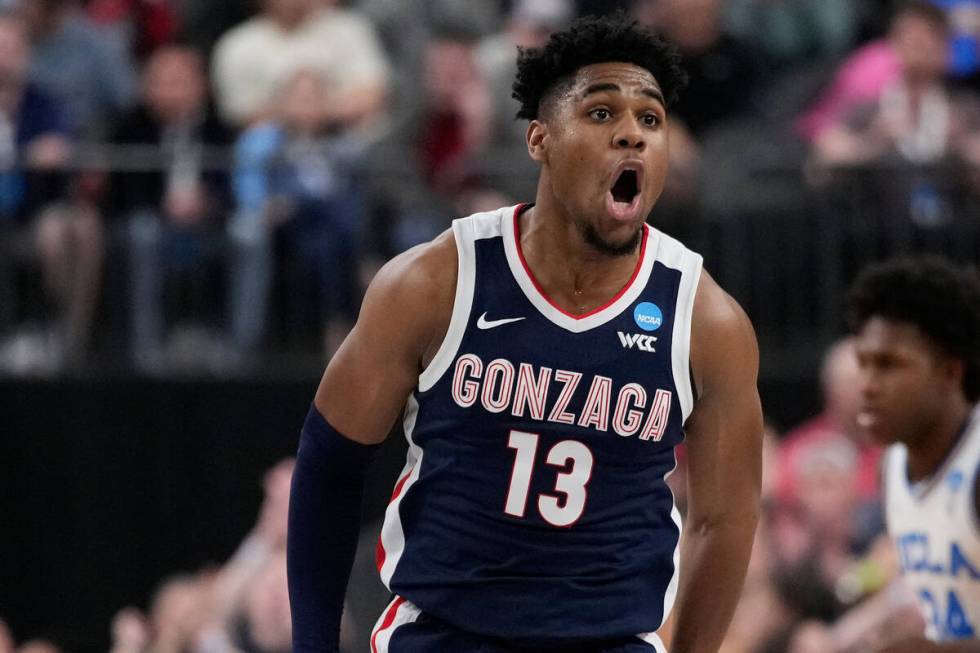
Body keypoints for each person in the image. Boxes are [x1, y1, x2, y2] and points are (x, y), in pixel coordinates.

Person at [287, 14, 763, 653]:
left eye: (650, 120)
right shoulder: (436, 281)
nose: (632, 135)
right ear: (539, 139)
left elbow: (725, 520)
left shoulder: (706, 321)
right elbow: (329, 465)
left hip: (610, 639)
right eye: (601, 114)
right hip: (444, 633)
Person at [848, 257, 980, 650]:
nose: (868, 385)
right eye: (863, 364)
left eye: (889, 366)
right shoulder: (893, 469)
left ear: (950, 374)